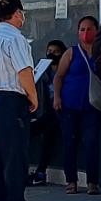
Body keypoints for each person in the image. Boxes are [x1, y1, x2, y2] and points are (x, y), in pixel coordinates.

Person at [0, 0, 48, 201]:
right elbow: (24, 72)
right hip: (12, 101)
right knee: (16, 157)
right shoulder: (16, 39)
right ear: (17, 13)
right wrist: (34, 96)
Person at [53, 17, 101, 195]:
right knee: (69, 143)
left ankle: (92, 182)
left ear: (96, 31)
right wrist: (57, 97)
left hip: (93, 106)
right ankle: (71, 181)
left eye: (89, 29)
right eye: (82, 29)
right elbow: (59, 76)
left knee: (91, 142)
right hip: (70, 105)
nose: (85, 33)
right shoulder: (71, 53)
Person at [29, 40, 66, 186]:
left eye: (56, 52)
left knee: (49, 134)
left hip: (64, 111)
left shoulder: (65, 71)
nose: (51, 54)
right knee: (31, 132)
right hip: (46, 112)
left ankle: (40, 172)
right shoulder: (45, 72)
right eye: (49, 51)